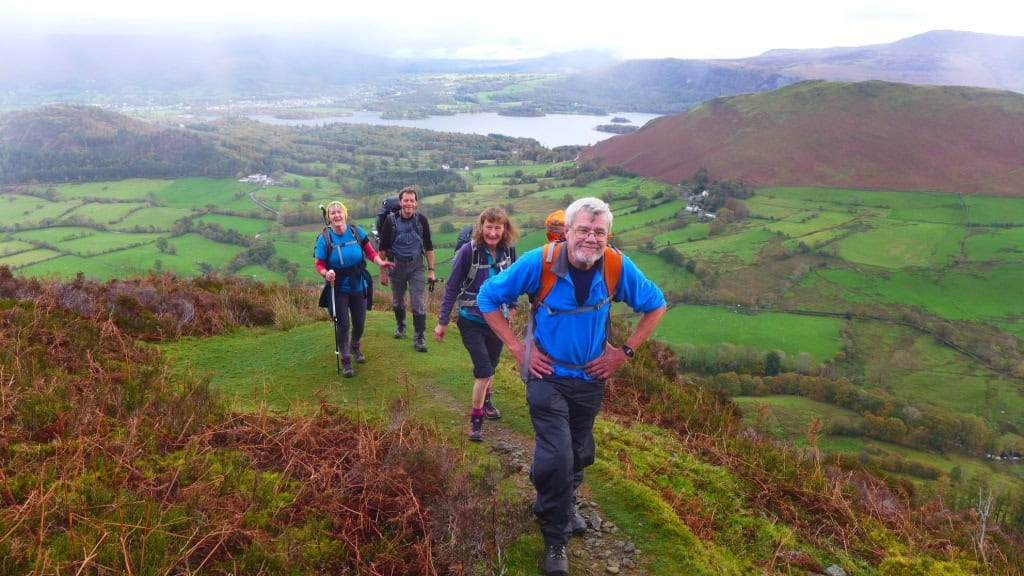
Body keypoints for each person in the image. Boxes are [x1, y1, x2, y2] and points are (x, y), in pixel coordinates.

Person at [477, 197, 666, 575]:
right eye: (583, 230)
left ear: (607, 235)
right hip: (546, 377)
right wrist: (518, 349)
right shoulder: (539, 263)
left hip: (591, 378)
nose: (591, 239)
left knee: (579, 452)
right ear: (567, 232)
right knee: (558, 454)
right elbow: (487, 298)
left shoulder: (615, 265)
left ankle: (559, 498)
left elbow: (656, 304)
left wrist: (624, 352)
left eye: (599, 232)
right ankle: (555, 539)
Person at [433, 207, 519, 442]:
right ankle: (476, 419)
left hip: (498, 321)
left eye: (497, 228)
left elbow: (513, 280)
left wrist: (513, 305)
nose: (492, 233)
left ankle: (487, 401)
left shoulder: (509, 251)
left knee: (491, 365)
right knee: (484, 371)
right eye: (489, 227)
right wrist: (442, 322)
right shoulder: (467, 252)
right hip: (470, 318)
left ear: (505, 229)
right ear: (481, 228)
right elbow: (451, 287)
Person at [314, 201, 394, 377]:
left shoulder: (357, 232)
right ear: (329, 217)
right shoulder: (324, 238)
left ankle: (355, 346)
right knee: (343, 325)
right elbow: (319, 263)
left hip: (358, 283)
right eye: (332, 213)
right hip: (338, 286)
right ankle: (346, 360)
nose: (336, 215)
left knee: (359, 323)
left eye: (339, 212)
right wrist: (325, 273)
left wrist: (380, 262)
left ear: (345, 214)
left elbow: (370, 252)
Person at [376, 186, 436, 352]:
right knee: (397, 301)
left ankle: (419, 337)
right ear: (400, 202)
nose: (408, 203)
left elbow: (429, 246)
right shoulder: (390, 221)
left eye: (412, 200)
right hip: (396, 265)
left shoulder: (421, 220)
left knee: (418, 302)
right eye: (405, 200)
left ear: (416, 203)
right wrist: (382, 272)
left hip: (417, 266)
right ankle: (401, 325)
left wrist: (431, 270)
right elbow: (382, 249)